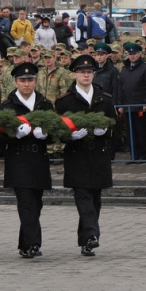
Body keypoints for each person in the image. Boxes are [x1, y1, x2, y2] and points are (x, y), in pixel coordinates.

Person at [55, 55, 116, 256]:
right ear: (75, 74)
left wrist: (105, 132)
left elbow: (116, 125)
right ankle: (92, 234)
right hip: (77, 155)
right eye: (82, 72)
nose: (86, 75)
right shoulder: (65, 101)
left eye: (89, 72)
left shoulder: (104, 99)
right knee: (83, 196)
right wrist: (70, 135)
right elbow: (58, 129)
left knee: (95, 198)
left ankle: (86, 240)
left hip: (98, 155)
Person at [0, 62, 52, 258]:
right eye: (23, 80)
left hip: (38, 159)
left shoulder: (45, 104)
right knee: (26, 202)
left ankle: (24, 243)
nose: (27, 84)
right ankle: (33, 244)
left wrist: (46, 134)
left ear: (35, 81)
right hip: (18, 160)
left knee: (36, 203)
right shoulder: (7, 106)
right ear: (16, 82)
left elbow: (55, 130)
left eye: (30, 80)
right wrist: (14, 135)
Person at [118, 42, 146, 162]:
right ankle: (134, 155)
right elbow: (121, 87)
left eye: (134, 54)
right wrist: (121, 104)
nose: (132, 56)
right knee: (131, 132)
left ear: (139, 54)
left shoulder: (145, 68)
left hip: (140, 105)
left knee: (141, 132)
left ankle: (143, 155)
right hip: (128, 105)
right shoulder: (124, 69)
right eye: (130, 54)